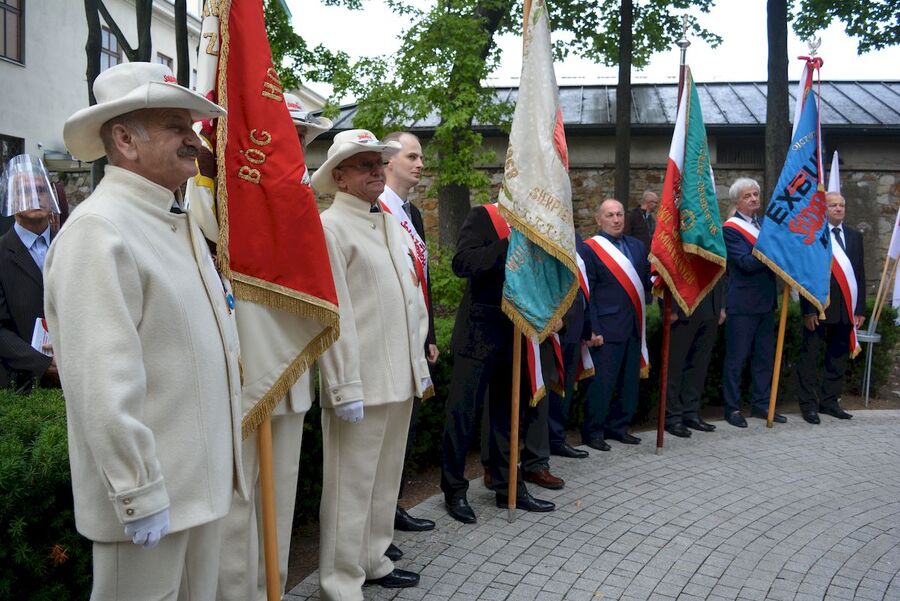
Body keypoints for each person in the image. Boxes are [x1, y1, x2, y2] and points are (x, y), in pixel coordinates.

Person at [44, 62, 245, 600]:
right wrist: (138, 491)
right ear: (126, 140)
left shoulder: (171, 220)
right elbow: (102, 386)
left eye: (192, 126)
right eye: (176, 126)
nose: (193, 138)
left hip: (196, 493)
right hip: (152, 501)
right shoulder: (99, 232)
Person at [215, 92, 333, 601]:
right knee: (239, 509)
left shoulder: (304, 203)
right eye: (291, 134)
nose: (299, 144)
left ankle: (274, 591)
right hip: (245, 372)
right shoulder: (221, 198)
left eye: (304, 137)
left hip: (292, 374)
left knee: (279, 503)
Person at [311, 129, 432, 599]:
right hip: (359, 381)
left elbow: (409, 299)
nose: (376, 171)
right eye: (364, 165)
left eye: (379, 163)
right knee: (349, 489)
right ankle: (340, 581)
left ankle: (374, 560)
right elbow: (333, 312)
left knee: (383, 483)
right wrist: (343, 386)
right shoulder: (330, 227)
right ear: (339, 176)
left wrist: (416, 363)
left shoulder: (386, 222)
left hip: (397, 375)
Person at [440, 202, 556, 524]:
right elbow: (462, 262)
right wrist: (508, 246)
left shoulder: (535, 226)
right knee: (462, 416)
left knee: (508, 418)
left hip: (514, 333)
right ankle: (454, 490)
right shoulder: (483, 216)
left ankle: (509, 488)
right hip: (478, 333)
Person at [381, 131, 438, 536]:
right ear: (389, 161)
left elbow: (422, 280)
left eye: (421, 158)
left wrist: (430, 333)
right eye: (412, 156)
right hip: (386, 339)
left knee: (407, 429)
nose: (420, 164)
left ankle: (393, 507)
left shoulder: (412, 214)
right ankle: (379, 516)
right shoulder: (377, 208)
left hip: (413, 339)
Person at [581, 199, 651, 451]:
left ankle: (619, 427)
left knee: (628, 382)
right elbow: (587, 292)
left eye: (619, 214)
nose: (616, 219)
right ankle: (593, 431)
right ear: (599, 219)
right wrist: (592, 328)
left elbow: (645, 282)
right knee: (602, 383)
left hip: (634, 326)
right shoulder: (590, 249)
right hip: (606, 329)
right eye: (610, 215)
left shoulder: (637, 246)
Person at [721, 177, 784, 427]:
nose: (754, 199)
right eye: (748, 196)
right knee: (736, 360)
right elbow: (745, 263)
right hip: (742, 304)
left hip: (766, 303)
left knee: (764, 359)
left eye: (756, 194)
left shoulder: (763, 225)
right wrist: (771, 251)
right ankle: (732, 408)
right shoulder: (730, 229)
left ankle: (760, 405)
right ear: (737, 201)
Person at [796, 191, 865, 424]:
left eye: (841, 205)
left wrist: (860, 309)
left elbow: (860, 274)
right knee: (810, 357)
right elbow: (804, 275)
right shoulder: (814, 236)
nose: (838, 208)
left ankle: (830, 402)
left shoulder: (855, 237)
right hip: (819, 309)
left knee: (837, 357)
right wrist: (807, 310)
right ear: (824, 209)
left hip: (845, 308)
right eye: (833, 205)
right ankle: (808, 405)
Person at [0, 154, 61, 393]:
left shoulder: (70, 243)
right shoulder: (2, 253)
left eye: (40, 189)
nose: (35, 197)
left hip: (80, 376)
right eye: (25, 190)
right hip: (23, 387)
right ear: (11, 199)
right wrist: (45, 364)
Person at [663, 279, 725, 437]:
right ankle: (672, 417)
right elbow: (670, 266)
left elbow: (721, 269)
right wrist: (671, 308)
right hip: (683, 308)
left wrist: (721, 305)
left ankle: (691, 413)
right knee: (674, 367)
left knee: (699, 366)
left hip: (711, 307)